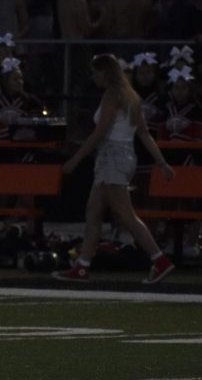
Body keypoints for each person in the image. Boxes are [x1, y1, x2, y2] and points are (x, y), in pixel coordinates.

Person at [55, 54, 176, 285]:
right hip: (123, 156)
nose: (93, 77)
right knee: (93, 212)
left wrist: (75, 159)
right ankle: (82, 266)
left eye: (95, 72)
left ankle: (159, 260)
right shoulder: (132, 96)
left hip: (112, 156)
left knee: (126, 215)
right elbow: (144, 133)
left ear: (105, 72)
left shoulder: (113, 95)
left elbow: (100, 132)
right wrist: (162, 163)